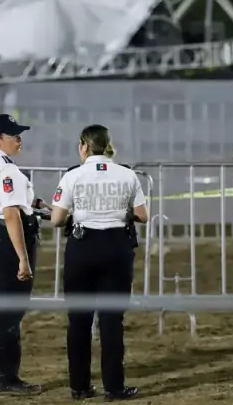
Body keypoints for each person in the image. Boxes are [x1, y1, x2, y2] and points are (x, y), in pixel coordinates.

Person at [49, 124, 149, 401]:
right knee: (112, 320)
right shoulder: (127, 174)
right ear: (108, 145)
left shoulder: (73, 175)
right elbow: (143, 215)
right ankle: (114, 387)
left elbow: (57, 219)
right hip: (116, 247)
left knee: (78, 319)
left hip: (82, 246)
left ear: (84, 146)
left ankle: (79, 386)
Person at [0, 113, 46, 395]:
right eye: (13, 135)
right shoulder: (6, 169)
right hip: (6, 239)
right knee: (11, 311)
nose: (19, 139)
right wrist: (23, 259)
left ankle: (3, 374)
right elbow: (11, 214)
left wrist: (39, 205)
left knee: (6, 307)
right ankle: (6, 377)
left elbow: (10, 200)